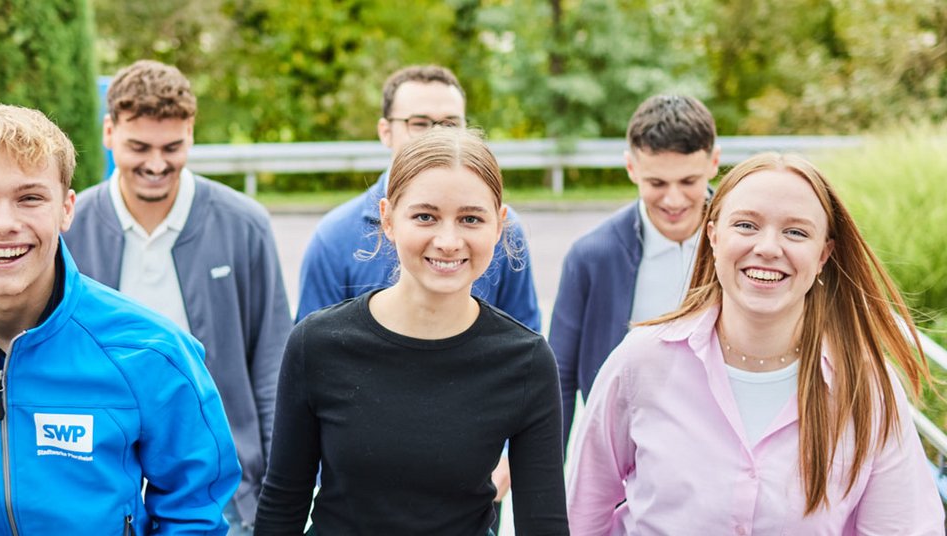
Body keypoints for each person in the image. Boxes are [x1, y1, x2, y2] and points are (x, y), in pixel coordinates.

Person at [0, 104, 241, 534]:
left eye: (30, 198)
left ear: (66, 208)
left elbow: (194, 511)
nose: (3, 224)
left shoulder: (150, 350)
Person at [566, 153, 943, 534]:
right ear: (713, 237)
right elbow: (580, 517)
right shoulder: (641, 362)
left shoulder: (868, 387)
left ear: (824, 254)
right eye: (746, 225)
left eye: (796, 232)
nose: (768, 247)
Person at [255, 128, 568, 535]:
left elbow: (544, 526)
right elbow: (282, 505)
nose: (448, 241)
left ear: (498, 225)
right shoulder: (316, 344)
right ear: (387, 218)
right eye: (425, 217)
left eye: (470, 219)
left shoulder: (526, 361)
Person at [295, 65, 536, 522]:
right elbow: (310, 380)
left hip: (472, 484)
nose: (436, 135)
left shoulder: (503, 235)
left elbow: (524, 347)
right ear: (386, 131)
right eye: (420, 123)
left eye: (450, 123)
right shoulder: (333, 238)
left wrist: (506, 461)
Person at [64, 60, 291, 534]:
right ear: (109, 133)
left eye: (171, 147)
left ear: (190, 132)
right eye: (138, 147)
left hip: (223, 489)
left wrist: (276, 493)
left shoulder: (244, 225)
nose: (155, 164)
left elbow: (272, 367)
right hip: (99, 486)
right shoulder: (69, 227)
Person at [550, 94, 720, 445]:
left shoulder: (745, 246)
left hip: (720, 448)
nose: (674, 200)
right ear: (631, 168)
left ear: (714, 162)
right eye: (657, 183)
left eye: (689, 181)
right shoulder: (590, 257)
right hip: (625, 452)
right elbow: (559, 376)